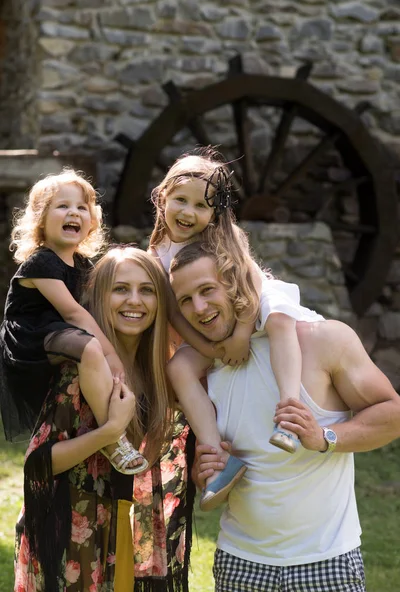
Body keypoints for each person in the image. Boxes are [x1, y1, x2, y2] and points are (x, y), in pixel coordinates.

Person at [169, 241, 400, 592]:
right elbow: (217, 463)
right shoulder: (200, 366)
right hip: (239, 564)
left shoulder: (322, 339)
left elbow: (392, 414)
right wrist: (207, 468)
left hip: (327, 562)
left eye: (207, 290)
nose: (199, 308)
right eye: (186, 300)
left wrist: (325, 438)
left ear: (233, 282)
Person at [149, 148, 323, 510]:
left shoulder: (222, 239)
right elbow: (177, 317)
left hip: (252, 309)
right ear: (163, 196)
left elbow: (254, 286)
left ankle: (288, 415)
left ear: (215, 212)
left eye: (201, 206)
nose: (188, 212)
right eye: (180, 200)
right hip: (209, 330)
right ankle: (218, 459)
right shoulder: (158, 256)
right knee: (178, 367)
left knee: (279, 319)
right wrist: (213, 351)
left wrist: (242, 334)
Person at [14, 246, 195, 592]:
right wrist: (110, 431)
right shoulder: (80, 367)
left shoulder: (158, 371)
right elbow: (37, 464)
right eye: (121, 289)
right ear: (99, 296)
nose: (135, 301)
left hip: (125, 529)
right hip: (70, 536)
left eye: (147, 290)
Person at [0, 169, 146, 474]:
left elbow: (93, 308)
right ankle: (112, 436)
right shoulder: (41, 262)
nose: (74, 213)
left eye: (82, 207)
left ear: (92, 221)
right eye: (62, 206)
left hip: (64, 333)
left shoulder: (82, 264)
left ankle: (122, 415)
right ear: (40, 218)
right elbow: (74, 314)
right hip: (30, 336)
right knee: (91, 348)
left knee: (91, 345)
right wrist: (111, 355)